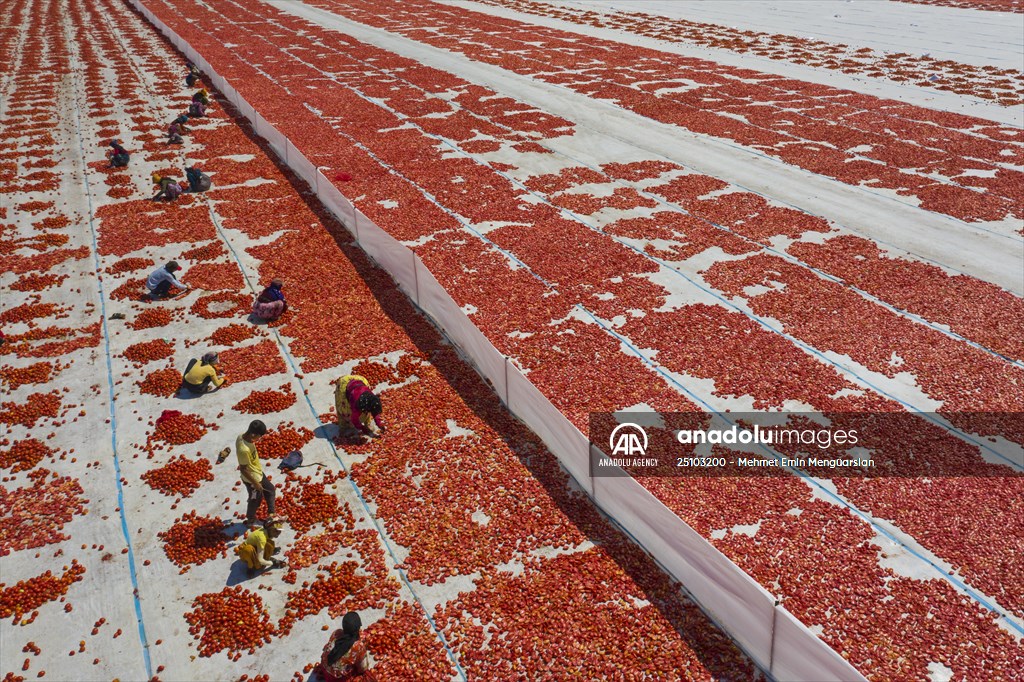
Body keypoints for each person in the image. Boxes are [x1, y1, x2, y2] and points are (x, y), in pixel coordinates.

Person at [236, 419, 276, 525]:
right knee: (255, 500)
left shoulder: (242, 436)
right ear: (253, 434)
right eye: (259, 436)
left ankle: (272, 514)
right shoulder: (244, 450)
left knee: (270, 490)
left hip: (257, 473)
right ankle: (250, 519)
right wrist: (255, 483)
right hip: (252, 479)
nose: (259, 439)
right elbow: (243, 469)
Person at [319, 612, 375, 681]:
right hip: (337, 679)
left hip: (324, 669)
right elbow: (362, 669)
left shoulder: (336, 633)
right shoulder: (358, 646)